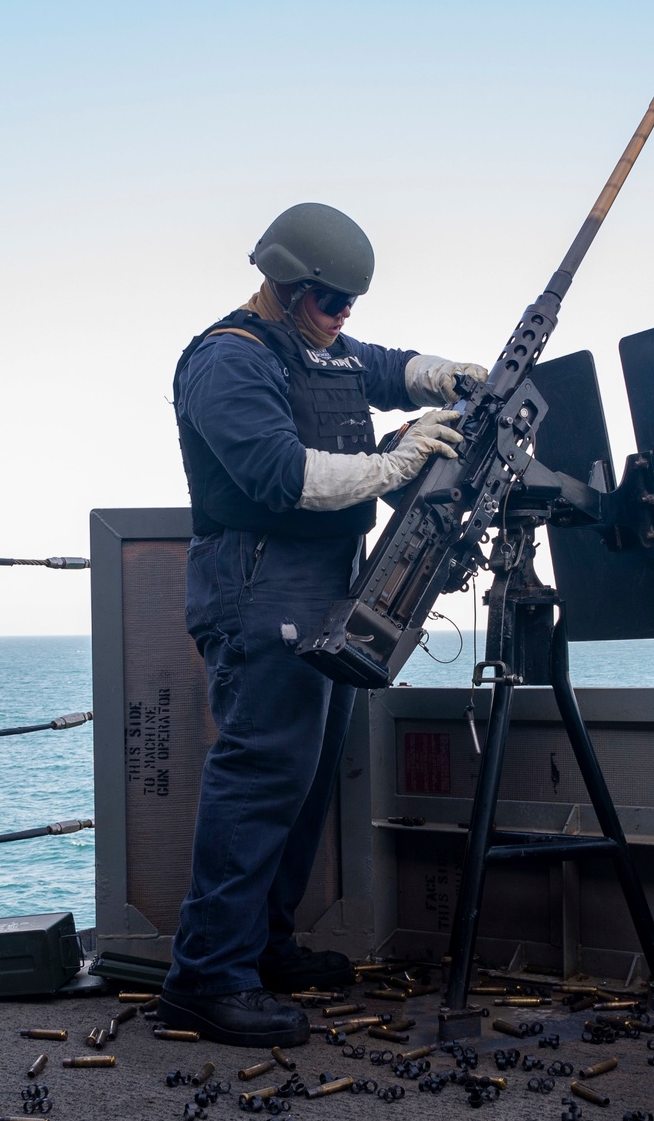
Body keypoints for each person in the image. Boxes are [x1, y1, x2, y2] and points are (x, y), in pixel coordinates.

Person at [158, 203, 487, 1048]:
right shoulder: (227, 362)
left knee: (300, 785)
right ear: (284, 284)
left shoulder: (321, 343)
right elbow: (278, 475)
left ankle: (262, 948)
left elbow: (378, 367)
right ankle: (205, 979)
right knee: (261, 775)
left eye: (351, 305)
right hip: (262, 586)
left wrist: (446, 376)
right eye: (331, 302)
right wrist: (396, 462)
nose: (345, 320)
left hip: (326, 591)